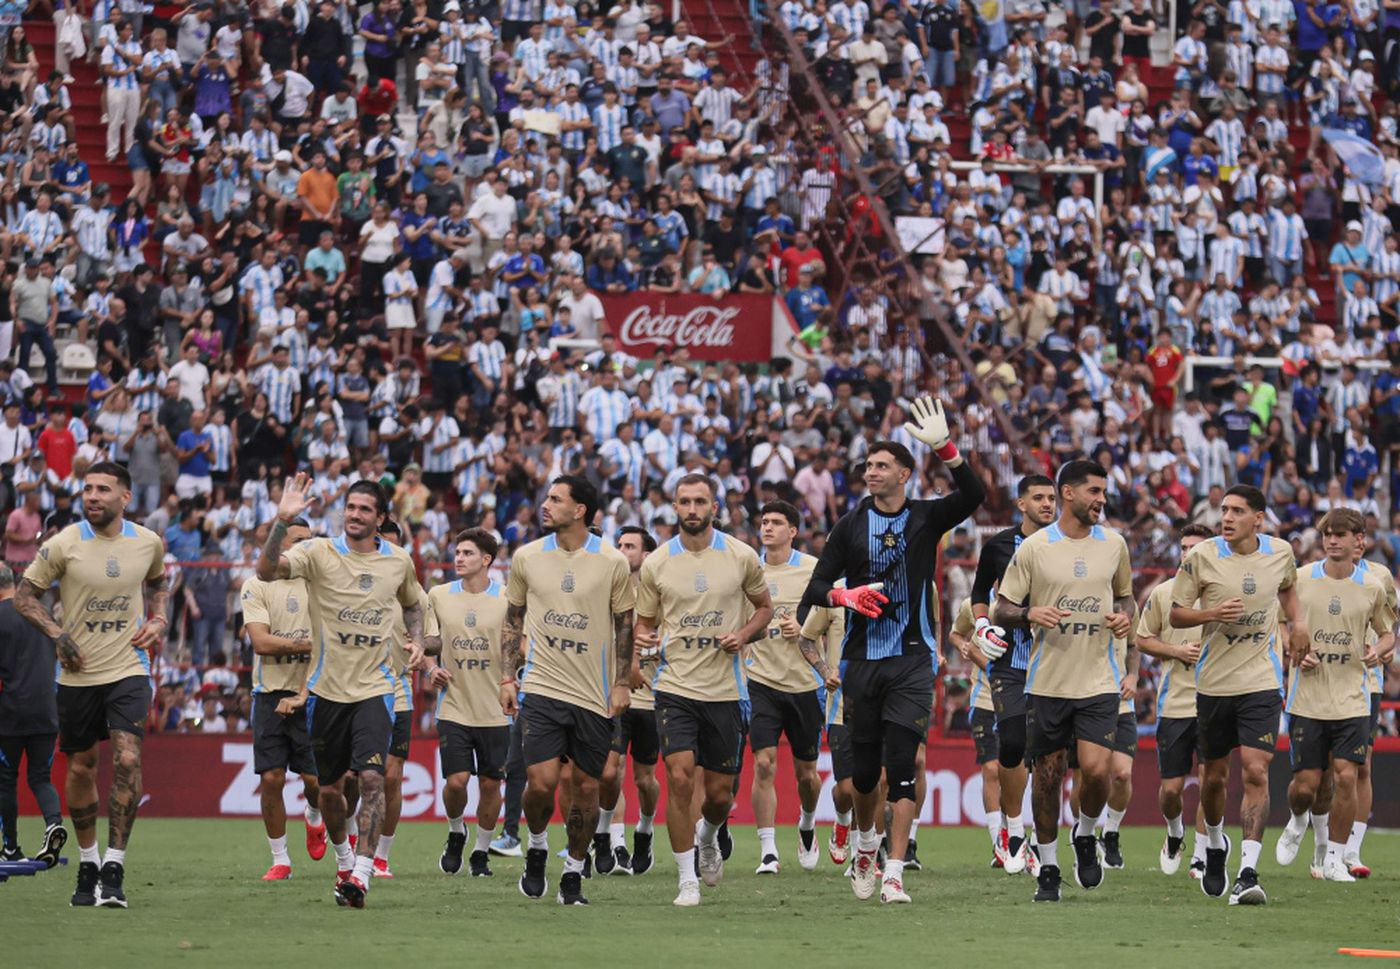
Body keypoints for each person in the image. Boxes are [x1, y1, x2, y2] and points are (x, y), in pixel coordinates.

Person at [800, 397, 984, 904]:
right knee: (864, 776)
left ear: (904, 473)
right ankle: (864, 848)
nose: (871, 472)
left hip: (911, 661)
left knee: (903, 767)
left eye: (882, 465)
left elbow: (975, 493)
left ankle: (895, 870)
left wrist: (945, 447)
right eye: (868, 466)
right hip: (860, 661)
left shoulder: (926, 518)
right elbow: (814, 590)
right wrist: (846, 594)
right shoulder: (850, 526)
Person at [256, 475, 425, 909]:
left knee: (372, 778)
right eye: (350, 507)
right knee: (330, 791)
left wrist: (418, 640)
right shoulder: (318, 552)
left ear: (380, 517)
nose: (354, 515)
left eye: (365, 509)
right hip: (326, 693)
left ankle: (362, 875)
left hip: (375, 689)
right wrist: (282, 521)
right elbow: (266, 570)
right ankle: (345, 857)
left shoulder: (398, 561)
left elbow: (412, 605)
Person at [15, 461, 168, 908]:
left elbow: (160, 585)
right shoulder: (64, 543)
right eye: (87, 489)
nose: (92, 496)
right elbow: (25, 597)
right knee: (81, 766)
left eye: (103, 489)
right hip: (78, 674)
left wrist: (158, 619)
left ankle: (115, 866)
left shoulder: (147, 542)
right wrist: (58, 635)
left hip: (129, 668)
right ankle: (88, 862)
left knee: (126, 757)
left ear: (125, 497)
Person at [995, 459, 1135, 903]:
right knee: (1048, 778)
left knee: (1097, 772)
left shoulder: (1114, 544)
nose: (1101, 499)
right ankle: (1049, 867)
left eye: (1103, 491)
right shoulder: (1035, 548)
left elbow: (1128, 596)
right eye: (1094, 491)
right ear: (1068, 493)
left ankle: (1086, 834)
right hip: (1047, 681)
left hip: (1099, 679)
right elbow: (1001, 609)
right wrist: (1029, 613)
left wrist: (1124, 617)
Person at [634, 473, 773, 906]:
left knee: (718, 794)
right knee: (677, 777)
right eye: (684, 502)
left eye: (700, 501)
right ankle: (686, 879)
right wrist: (644, 639)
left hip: (727, 691)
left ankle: (709, 834)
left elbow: (765, 608)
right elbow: (644, 622)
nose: (692, 509)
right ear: (674, 507)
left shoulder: (741, 555)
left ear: (715, 506)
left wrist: (745, 633)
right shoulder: (656, 563)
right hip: (674, 687)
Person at [1169, 483, 1309, 905]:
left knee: (1255, 770)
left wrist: (1297, 622)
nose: (1226, 517)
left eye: (1236, 511)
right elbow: (1177, 612)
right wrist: (1211, 613)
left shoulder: (1281, 552)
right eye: (1224, 510)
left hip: (1261, 681)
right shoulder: (1202, 557)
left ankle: (1248, 873)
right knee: (1213, 777)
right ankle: (1214, 844)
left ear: (1258, 519)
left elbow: (1287, 589)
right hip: (1213, 683)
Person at [500, 474, 635, 906]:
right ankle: (537, 847)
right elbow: (512, 620)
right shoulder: (527, 557)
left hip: (593, 694)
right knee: (539, 783)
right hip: (540, 686)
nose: (546, 504)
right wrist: (507, 677)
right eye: (547, 497)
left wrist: (620, 682)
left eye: (556, 499)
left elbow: (625, 625)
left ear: (579, 510)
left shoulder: (613, 562)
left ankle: (573, 872)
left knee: (587, 787)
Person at [1274, 509, 1394, 883]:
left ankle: (1335, 858)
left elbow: (1388, 631)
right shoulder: (1302, 578)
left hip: (1353, 698)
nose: (1332, 540)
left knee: (1347, 775)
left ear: (1358, 539)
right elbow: (1280, 620)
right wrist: (1293, 647)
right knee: (1307, 786)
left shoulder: (1373, 585)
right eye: (1328, 534)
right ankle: (1297, 820)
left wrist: (1381, 650)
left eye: (1340, 534)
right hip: (1307, 697)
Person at [967, 472, 1056, 874]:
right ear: (1021, 504)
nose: (1047, 504)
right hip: (1011, 662)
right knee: (1013, 745)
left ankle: (1039, 840)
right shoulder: (999, 545)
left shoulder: (1067, 546)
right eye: (1038, 497)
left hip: (1057, 662)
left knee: (1050, 757)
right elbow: (978, 594)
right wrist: (982, 625)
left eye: (1052, 498)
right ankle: (1014, 830)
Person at [239, 516, 326, 880]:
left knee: (316, 783)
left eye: (309, 540)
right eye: (297, 540)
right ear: (280, 546)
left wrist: (293, 647)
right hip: (270, 695)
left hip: (316, 693)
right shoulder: (257, 584)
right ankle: (281, 860)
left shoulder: (321, 584)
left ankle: (314, 815)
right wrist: (308, 645)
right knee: (272, 778)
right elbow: (260, 642)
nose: (305, 546)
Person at [424, 527, 511, 879]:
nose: (459, 558)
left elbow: (518, 647)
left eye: (467, 553)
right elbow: (429, 642)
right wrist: (431, 667)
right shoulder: (439, 595)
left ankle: (481, 851)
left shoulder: (507, 599)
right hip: (454, 705)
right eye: (457, 552)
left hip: (495, 709)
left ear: (486, 560)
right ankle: (457, 830)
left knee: (491, 785)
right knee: (457, 781)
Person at [747, 500, 824, 874]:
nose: (768, 527)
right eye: (764, 522)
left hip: (804, 683)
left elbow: (830, 616)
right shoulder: (750, 569)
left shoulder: (812, 570)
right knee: (763, 764)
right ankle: (768, 850)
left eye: (776, 522)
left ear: (793, 531)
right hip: (759, 680)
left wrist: (805, 626)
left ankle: (807, 822)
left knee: (807, 774)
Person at [1134, 523, 1213, 879]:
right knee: (1171, 790)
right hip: (1175, 704)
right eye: (1184, 547)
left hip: (1215, 703)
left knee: (1211, 781)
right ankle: (1175, 832)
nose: (1187, 553)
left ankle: (1200, 854)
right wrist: (1175, 650)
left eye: (1195, 547)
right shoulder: (1164, 594)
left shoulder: (1220, 596)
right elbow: (1142, 639)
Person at [594, 525, 661, 877]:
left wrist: (649, 649)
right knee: (609, 771)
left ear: (646, 555)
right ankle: (610, 838)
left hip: (651, 698)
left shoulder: (662, 593)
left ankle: (645, 830)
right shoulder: (610, 591)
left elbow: (667, 639)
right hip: (614, 695)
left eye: (630, 545)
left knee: (646, 779)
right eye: (619, 544)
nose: (622, 550)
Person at [368, 516, 427, 878]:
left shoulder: (415, 595)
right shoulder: (354, 584)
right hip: (352, 688)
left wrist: (423, 651)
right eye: (381, 545)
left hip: (397, 689)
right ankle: (344, 844)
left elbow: (430, 637)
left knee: (390, 777)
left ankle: (381, 856)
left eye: (393, 546)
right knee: (349, 778)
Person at [0, 564, 67, 867]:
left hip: (11, 711)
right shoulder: (42, 614)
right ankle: (54, 824)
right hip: (46, 710)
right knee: (40, 777)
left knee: (5, 779)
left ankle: (10, 847)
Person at [948, 598, 1002, 867]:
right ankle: (999, 844)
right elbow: (955, 633)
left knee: (1019, 772)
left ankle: (1024, 838)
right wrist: (964, 646)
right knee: (991, 769)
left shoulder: (1031, 600)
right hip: (984, 700)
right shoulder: (975, 605)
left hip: (1019, 702)